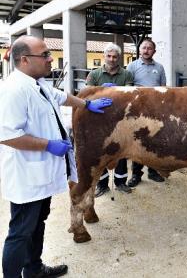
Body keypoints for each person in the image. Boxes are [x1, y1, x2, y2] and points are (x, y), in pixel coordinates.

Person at [0, 35, 112, 278]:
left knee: (38, 224)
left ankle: (33, 269)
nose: (51, 59)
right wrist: (48, 145)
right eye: (45, 55)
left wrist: (86, 104)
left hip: (40, 175)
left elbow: (61, 97)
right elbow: (7, 135)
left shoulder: (37, 83)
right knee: (20, 231)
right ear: (25, 60)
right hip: (26, 176)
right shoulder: (13, 90)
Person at [86, 43, 134, 197]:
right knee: (101, 151)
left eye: (115, 56)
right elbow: (87, 94)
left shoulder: (126, 74)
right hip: (99, 117)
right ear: (104, 56)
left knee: (121, 149)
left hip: (120, 117)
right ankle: (102, 184)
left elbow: (130, 95)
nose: (112, 59)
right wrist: (101, 90)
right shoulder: (94, 74)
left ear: (118, 58)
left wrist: (116, 91)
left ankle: (121, 182)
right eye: (109, 56)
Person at [126, 39, 166, 187]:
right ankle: (136, 174)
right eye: (144, 48)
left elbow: (163, 89)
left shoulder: (160, 67)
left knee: (154, 141)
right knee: (137, 141)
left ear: (154, 51)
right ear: (140, 50)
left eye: (150, 48)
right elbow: (128, 88)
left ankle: (153, 171)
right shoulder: (132, 66)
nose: (146, 50)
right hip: (138, 111)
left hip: (155, 110)